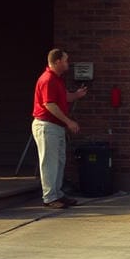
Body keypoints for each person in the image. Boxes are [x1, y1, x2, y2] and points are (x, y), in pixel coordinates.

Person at [32, 48, 88, 209]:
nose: (67, 63)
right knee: (49, 162)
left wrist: (76, 95)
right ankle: (49, 197)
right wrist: (68, 121)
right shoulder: (48, 79)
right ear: (57, 62)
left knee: (59, 161)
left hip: (55, 126)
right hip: (46, 125)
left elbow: (64, 97)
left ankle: (57, 194)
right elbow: (49, 104)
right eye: (65, 60)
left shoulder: (57, 79)